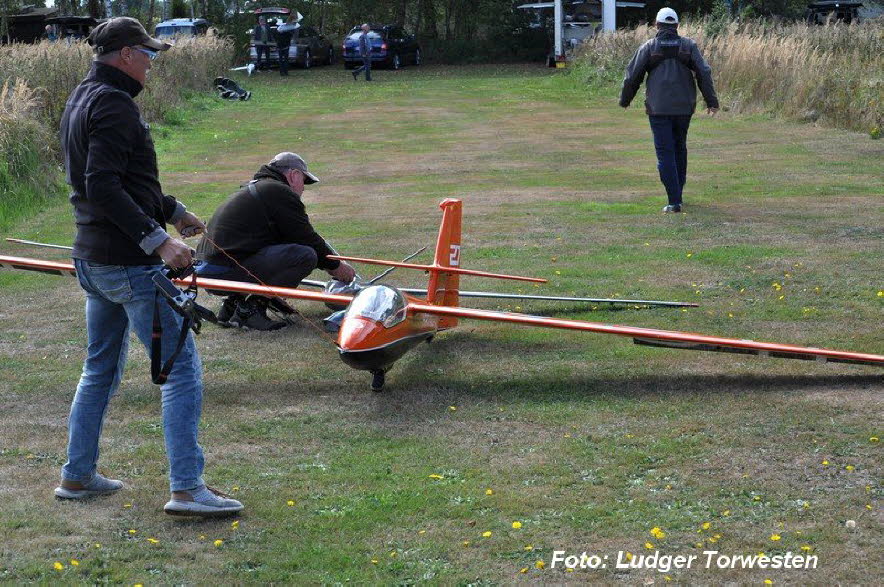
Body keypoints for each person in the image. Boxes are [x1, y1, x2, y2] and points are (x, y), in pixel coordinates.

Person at [56, 17, 243, 518]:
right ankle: (187, 488)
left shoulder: (82, 96)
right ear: (123, 55)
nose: (151, 63)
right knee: (181, 370)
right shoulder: (114, 104)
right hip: (128, 263)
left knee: (98, 371)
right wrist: (157, 240)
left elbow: (125, 179)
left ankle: (77, 475)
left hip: (93, 260)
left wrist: (172, 210)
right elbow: (101, 185)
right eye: (147, 54)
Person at [196, 152, 356, 331]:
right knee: (305, 255)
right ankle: (252, 309)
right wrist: (336, 266)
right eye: (304, 181)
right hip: (223, 269)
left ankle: (235, 304)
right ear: (294, 175)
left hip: (208, 270)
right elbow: (306, 238)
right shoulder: (278, 191)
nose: (303, 188)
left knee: (292, 251)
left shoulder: (257, 188)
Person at [619, 7, 719, 213]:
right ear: (677, 26)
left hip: (658, 109)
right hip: (684, 108)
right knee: (679, 148)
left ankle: (674, 201)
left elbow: (632, 76)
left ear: (657, 25)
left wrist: (625, 100)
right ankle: (678, 194)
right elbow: (704, 72)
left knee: (665, 152)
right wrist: (711, 101)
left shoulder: (649, 47)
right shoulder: (688, 46)